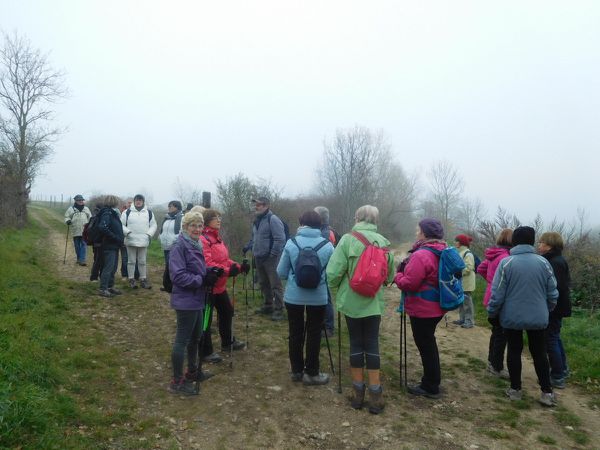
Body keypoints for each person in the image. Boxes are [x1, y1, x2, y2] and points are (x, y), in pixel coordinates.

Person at [327, 205, 394, 414]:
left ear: (357, 218)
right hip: (373, 303)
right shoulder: (383, 242)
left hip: (351, 302)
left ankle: (357, 393)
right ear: (375, 219)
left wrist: (336, 288)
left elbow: (333, 272)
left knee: (356, 342)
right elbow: (389, 277)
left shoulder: (347, 240)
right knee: (372, 343)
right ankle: (376, 394)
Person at [487, 226, 558, 406]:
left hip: (512, 317)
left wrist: (493, 312)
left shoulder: (507, 263)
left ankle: (516, 390)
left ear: (514, 242)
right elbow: (552, 293)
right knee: (540, 353)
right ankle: (547, 393)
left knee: (514, 350)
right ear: (532, 241)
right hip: (538, 316)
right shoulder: (543, 263)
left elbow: (498, 293)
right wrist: (546, 309)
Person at [277, 211, 334, 385]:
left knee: (295, 332)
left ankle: (296, 371)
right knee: (314, 333)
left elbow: (281, 272)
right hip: (318, 297)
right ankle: (312, 373)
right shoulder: (328, 245)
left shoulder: (291, 243)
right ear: (320, 224)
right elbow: (332, 274)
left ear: (301, 223)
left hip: (293, 297)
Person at [394, 218, 448, 399]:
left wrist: (398, 276)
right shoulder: (442, 250)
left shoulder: (422, 254)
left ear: (425, 233)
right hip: (436, 306)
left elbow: (410, 283)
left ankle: (430, 385)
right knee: (428, 343)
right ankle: (432, 380)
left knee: (426, 345)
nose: (416, 233)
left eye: (418, 230)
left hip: (423, 308)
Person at [168, 212, 218, 395]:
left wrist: (210, 272)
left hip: (197, 298)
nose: (197, 229)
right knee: (182, 340)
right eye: (193, 226)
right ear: (185, 227)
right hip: (185, 300)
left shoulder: (195, 243)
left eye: (200, 226)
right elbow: (178, 275)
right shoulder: (179, 245)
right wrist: (202, 280)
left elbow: (197, 268)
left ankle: (192, 371)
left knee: (196, 337)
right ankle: (177, 381)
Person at [199, 209, 248, 364]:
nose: (219, 220)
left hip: (220, 286)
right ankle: (205, 351)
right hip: (208, 286)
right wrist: (228, 271)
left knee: (227, 312)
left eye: (219, 217)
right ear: (207, 221)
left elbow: (224, 260)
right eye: (215, 218)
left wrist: (239, 267)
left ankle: (228, 342)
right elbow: (208, 264)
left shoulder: (217, 238)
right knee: (205, 320)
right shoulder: (203, 239)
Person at [477, 228, 513, 378]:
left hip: (490, 295)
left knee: (496, 331)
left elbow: (480, 268)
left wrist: (491, 282)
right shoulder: (506, 257)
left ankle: (492, 362)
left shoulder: (494, 254)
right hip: (501, 298)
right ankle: (496, 367)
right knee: (501, 334)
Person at [243, 197, 286, 321]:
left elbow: (280, 239)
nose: (256, 207)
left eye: (259, 205)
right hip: (258, 257)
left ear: (266, 205)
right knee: (263, 283)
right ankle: (268, 305)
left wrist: (272, 254)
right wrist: (248, 246)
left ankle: (279, 309)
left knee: (275, 284)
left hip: (271, 259)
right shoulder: (257, 220)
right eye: (255, 205)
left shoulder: (273, 219)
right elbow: (255, 238)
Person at [538, 231, 572, 389]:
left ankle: (557, 375)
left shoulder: (554, 262)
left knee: (550, 339)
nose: (539, 245)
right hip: (559, 306)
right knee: (555, 337)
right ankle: (562, 369)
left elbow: (555, 287)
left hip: (554, 307)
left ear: (550, 245)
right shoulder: (556, 259)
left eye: (542, 242)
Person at [121, 194, 157, 289]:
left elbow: (153, 225)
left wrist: (149, 234)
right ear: (134, 201)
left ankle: (143, 279)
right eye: (137, 199)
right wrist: (127, 233)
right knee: (131, 261)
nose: (138, 201)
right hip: (130, 240)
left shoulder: (149, 213)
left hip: (143, 240)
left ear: (143, 201)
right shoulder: (127, 212)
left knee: (142, 261)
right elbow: (121, 225)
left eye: (140, 200)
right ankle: (131, 279)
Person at [314, 206, 339, 337]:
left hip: (325, 268)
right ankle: (324, 324)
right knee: (324, 296)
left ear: (320, 217)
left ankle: (329, 327)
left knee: (326, 297)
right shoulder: (323, 230)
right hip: (322, 267)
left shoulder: (326, 232)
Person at [96, 195, 124, 298]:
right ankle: (103, 289)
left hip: (114, 245)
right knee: (108, 267)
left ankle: (110, 286)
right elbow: (102, 227)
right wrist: (115, 237)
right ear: (114, 202)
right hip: (109, 245)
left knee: (113, 267)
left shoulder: (112, 212)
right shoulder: (107, 213)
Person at [159, 200, 183, 293]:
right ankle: (168, 285)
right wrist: (161, 237)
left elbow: (182, 231)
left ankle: (173, 286)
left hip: (175, 246)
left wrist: (174, 241)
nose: (169, 208)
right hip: (166, 246)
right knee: (168, 266)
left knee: (172, 266)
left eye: (171, 206)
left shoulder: (181, 218)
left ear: (177, 207)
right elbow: (162, 230)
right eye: (169, 206)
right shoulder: (167, 218)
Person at [453, 234, 476, 328]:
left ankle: (469, 321)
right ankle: (462, 319)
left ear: (461, 242)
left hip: (466, 281)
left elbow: (469, 267)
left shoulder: (468, 254)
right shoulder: (460, 252)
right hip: (461, 281)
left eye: (456, 240)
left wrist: (459, 273)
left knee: (467, 302)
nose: (455, 242)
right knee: (461, 301)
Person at [64, 194, 92, 266]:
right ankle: (79, 258)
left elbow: (90, 217)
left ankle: (82, 260)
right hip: (75, 230)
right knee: (77, 246)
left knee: (83, 245)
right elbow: (66, 216)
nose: (81, 201)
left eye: (82, 200)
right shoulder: (71, 209)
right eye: (79, 200)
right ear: (75, 201)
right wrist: (68, 221)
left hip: (84, 231)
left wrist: (90, 225)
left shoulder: (86, 209)